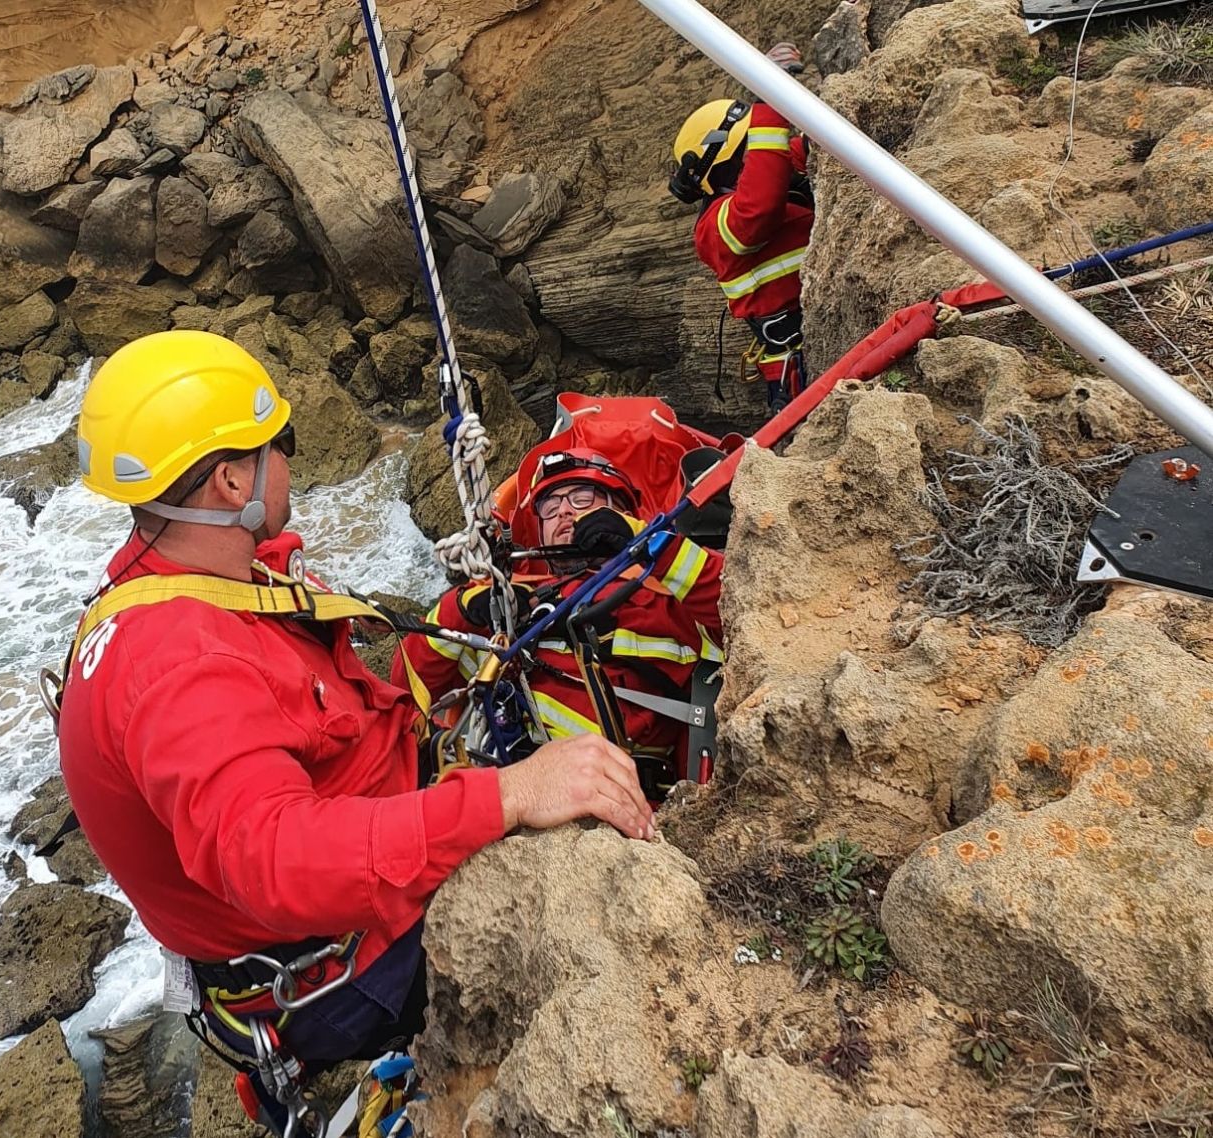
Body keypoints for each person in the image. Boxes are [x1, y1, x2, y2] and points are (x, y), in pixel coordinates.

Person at [55, 331, 656, 1127]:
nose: (289, 463)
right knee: (608, 912)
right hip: (340, 972)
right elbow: (278, 859)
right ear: (232, 478)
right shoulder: (181, 665)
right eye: (282, 444)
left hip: (324, 899)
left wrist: (441, 650)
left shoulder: (186, 584)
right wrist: (506, 797)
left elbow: (320, 716)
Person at [398, 446, 725, 800]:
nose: (565, 511)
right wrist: (457, 609)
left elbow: (745, 612)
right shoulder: (505, 607)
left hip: (624, 804)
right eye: (550, 509)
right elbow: (407, 693)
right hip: (509, 794)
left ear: (620, 510)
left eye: (582, 497)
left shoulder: (664, 593)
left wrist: (651, 543)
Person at [668, 44, 813, 413]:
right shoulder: (712, 231)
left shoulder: (774, 172)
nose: (767, 144)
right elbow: (758, 207)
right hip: (799, 370)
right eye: (755, 140)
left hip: (824, 341)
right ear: (729, 156)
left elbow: (802, 152)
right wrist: (767, 97)